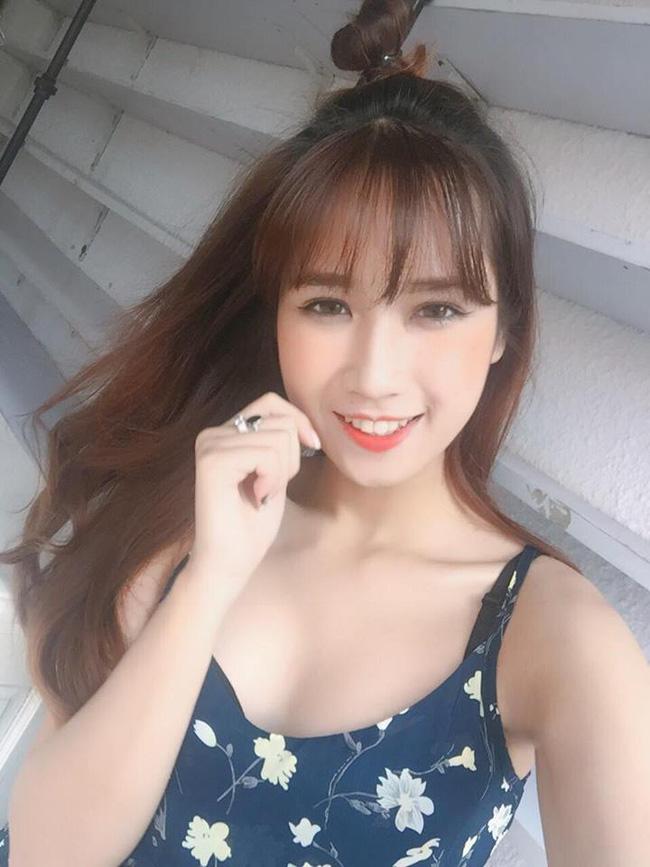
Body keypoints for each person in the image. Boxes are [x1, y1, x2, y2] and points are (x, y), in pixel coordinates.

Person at [1, 1, 649, 865]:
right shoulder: (199, 509)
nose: (375, 374)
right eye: (328, 304)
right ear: (274, 310)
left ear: (505, 329)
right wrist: (209, 582)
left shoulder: (555, 638)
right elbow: (47, 851)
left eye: (437, 309)